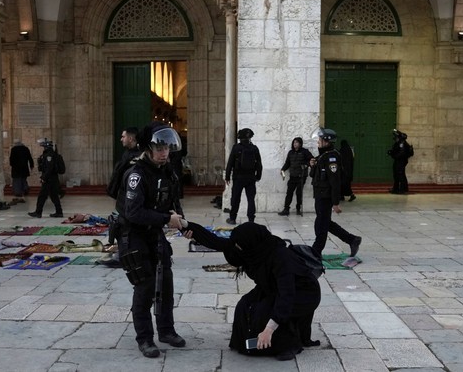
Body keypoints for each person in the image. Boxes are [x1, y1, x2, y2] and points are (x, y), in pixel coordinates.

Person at [181, 221, 321, 361]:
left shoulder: (280, 256)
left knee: (265, 312)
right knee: (244, 305)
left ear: (251, 242)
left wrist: (269, 329)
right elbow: (215, 241)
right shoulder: (251, 249)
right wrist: (185, 225)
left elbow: (286, 295)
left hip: (303, 294)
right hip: (271, 287)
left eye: (239, 245)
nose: (237, 247)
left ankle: (287, 345)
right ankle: (246, 343)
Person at [119, 121, 186, 358]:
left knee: (165, 283)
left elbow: (174, 203)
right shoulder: (137, 174)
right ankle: (145, 338)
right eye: (159, 148)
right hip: (134, 235)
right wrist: (167, 220)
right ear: (148, 148)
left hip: (155, 233)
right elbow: (133, 212)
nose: (164, 152)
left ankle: (166, 331)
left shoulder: (168, 171)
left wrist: (183, 223)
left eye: (167, 148)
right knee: (145, 286)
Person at [309, 127, 361, 257]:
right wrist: (313, 165)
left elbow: (335, 181)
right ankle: (352, 239)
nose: (318, 143)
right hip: (320, 195)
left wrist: (335, 202)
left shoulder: (332, 157)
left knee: (321, 225)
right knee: (324, 222)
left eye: (319, 140)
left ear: (326, 141)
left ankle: (315, 252)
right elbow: (313, 175)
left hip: (326, 196)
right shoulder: (322, 156)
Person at [102, 127, 140, 267]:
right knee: (120, 225)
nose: (121, 139)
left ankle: (122, 257)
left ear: (130, 138)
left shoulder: (137, 156)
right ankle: (122, 254)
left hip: (130, 197)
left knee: (124, 227)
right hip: (123, 196)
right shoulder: (128, 154)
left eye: (123, 136)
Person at [225, 128, 262, 225]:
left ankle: (232, 218)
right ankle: (251, 219)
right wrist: (258, 176)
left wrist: (227, 177)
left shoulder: (236, 148)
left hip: (238, 178)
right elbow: (259, 164)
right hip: (250, 178)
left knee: (236, 198)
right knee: (251, 199)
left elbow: (230, 163)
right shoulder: (254, 148)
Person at [28, 138, 63, 218]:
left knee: (42, 196)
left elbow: (49, 168)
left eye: (43, 146)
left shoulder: (49, 155)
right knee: (54, 196)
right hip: (53, 178)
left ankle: (38, 212)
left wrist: (43, 177)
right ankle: (59, 212)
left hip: (49, 179)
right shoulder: (50, 153)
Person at [278, 137, 313, 216]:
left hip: (301, 176)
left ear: (300, 143)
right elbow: (287, 163)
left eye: (296, 142)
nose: (295, 144)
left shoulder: (305, 152)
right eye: (294, 142)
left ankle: (298, 209)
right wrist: (283, 169)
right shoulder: (291, 152)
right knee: (289, 192)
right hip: (292, 176)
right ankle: (286, 209)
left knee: (299, 193)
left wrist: (306, 165)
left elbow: (311, 160)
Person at [387, 129, 413, 194]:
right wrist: (391, 152)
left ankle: (402, 189)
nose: (395, 138)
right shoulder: (399, 143)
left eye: (396, 137)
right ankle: (396, 189)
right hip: (398, 161)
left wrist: (393, 155)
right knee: (396, 174)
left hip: (401, 161)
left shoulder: (402, 143)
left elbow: (401, 153)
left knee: (400, 174)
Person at [9, 139, 34, 204]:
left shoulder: (14, 149)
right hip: (24, 168)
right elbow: (30, 158)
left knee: (17, 181)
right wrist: (31, 165)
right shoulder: (25, 149)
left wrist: (12, 165)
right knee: (23, 179)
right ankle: (25, 188)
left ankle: (19, 195)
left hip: (16, 169)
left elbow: (11, 159)